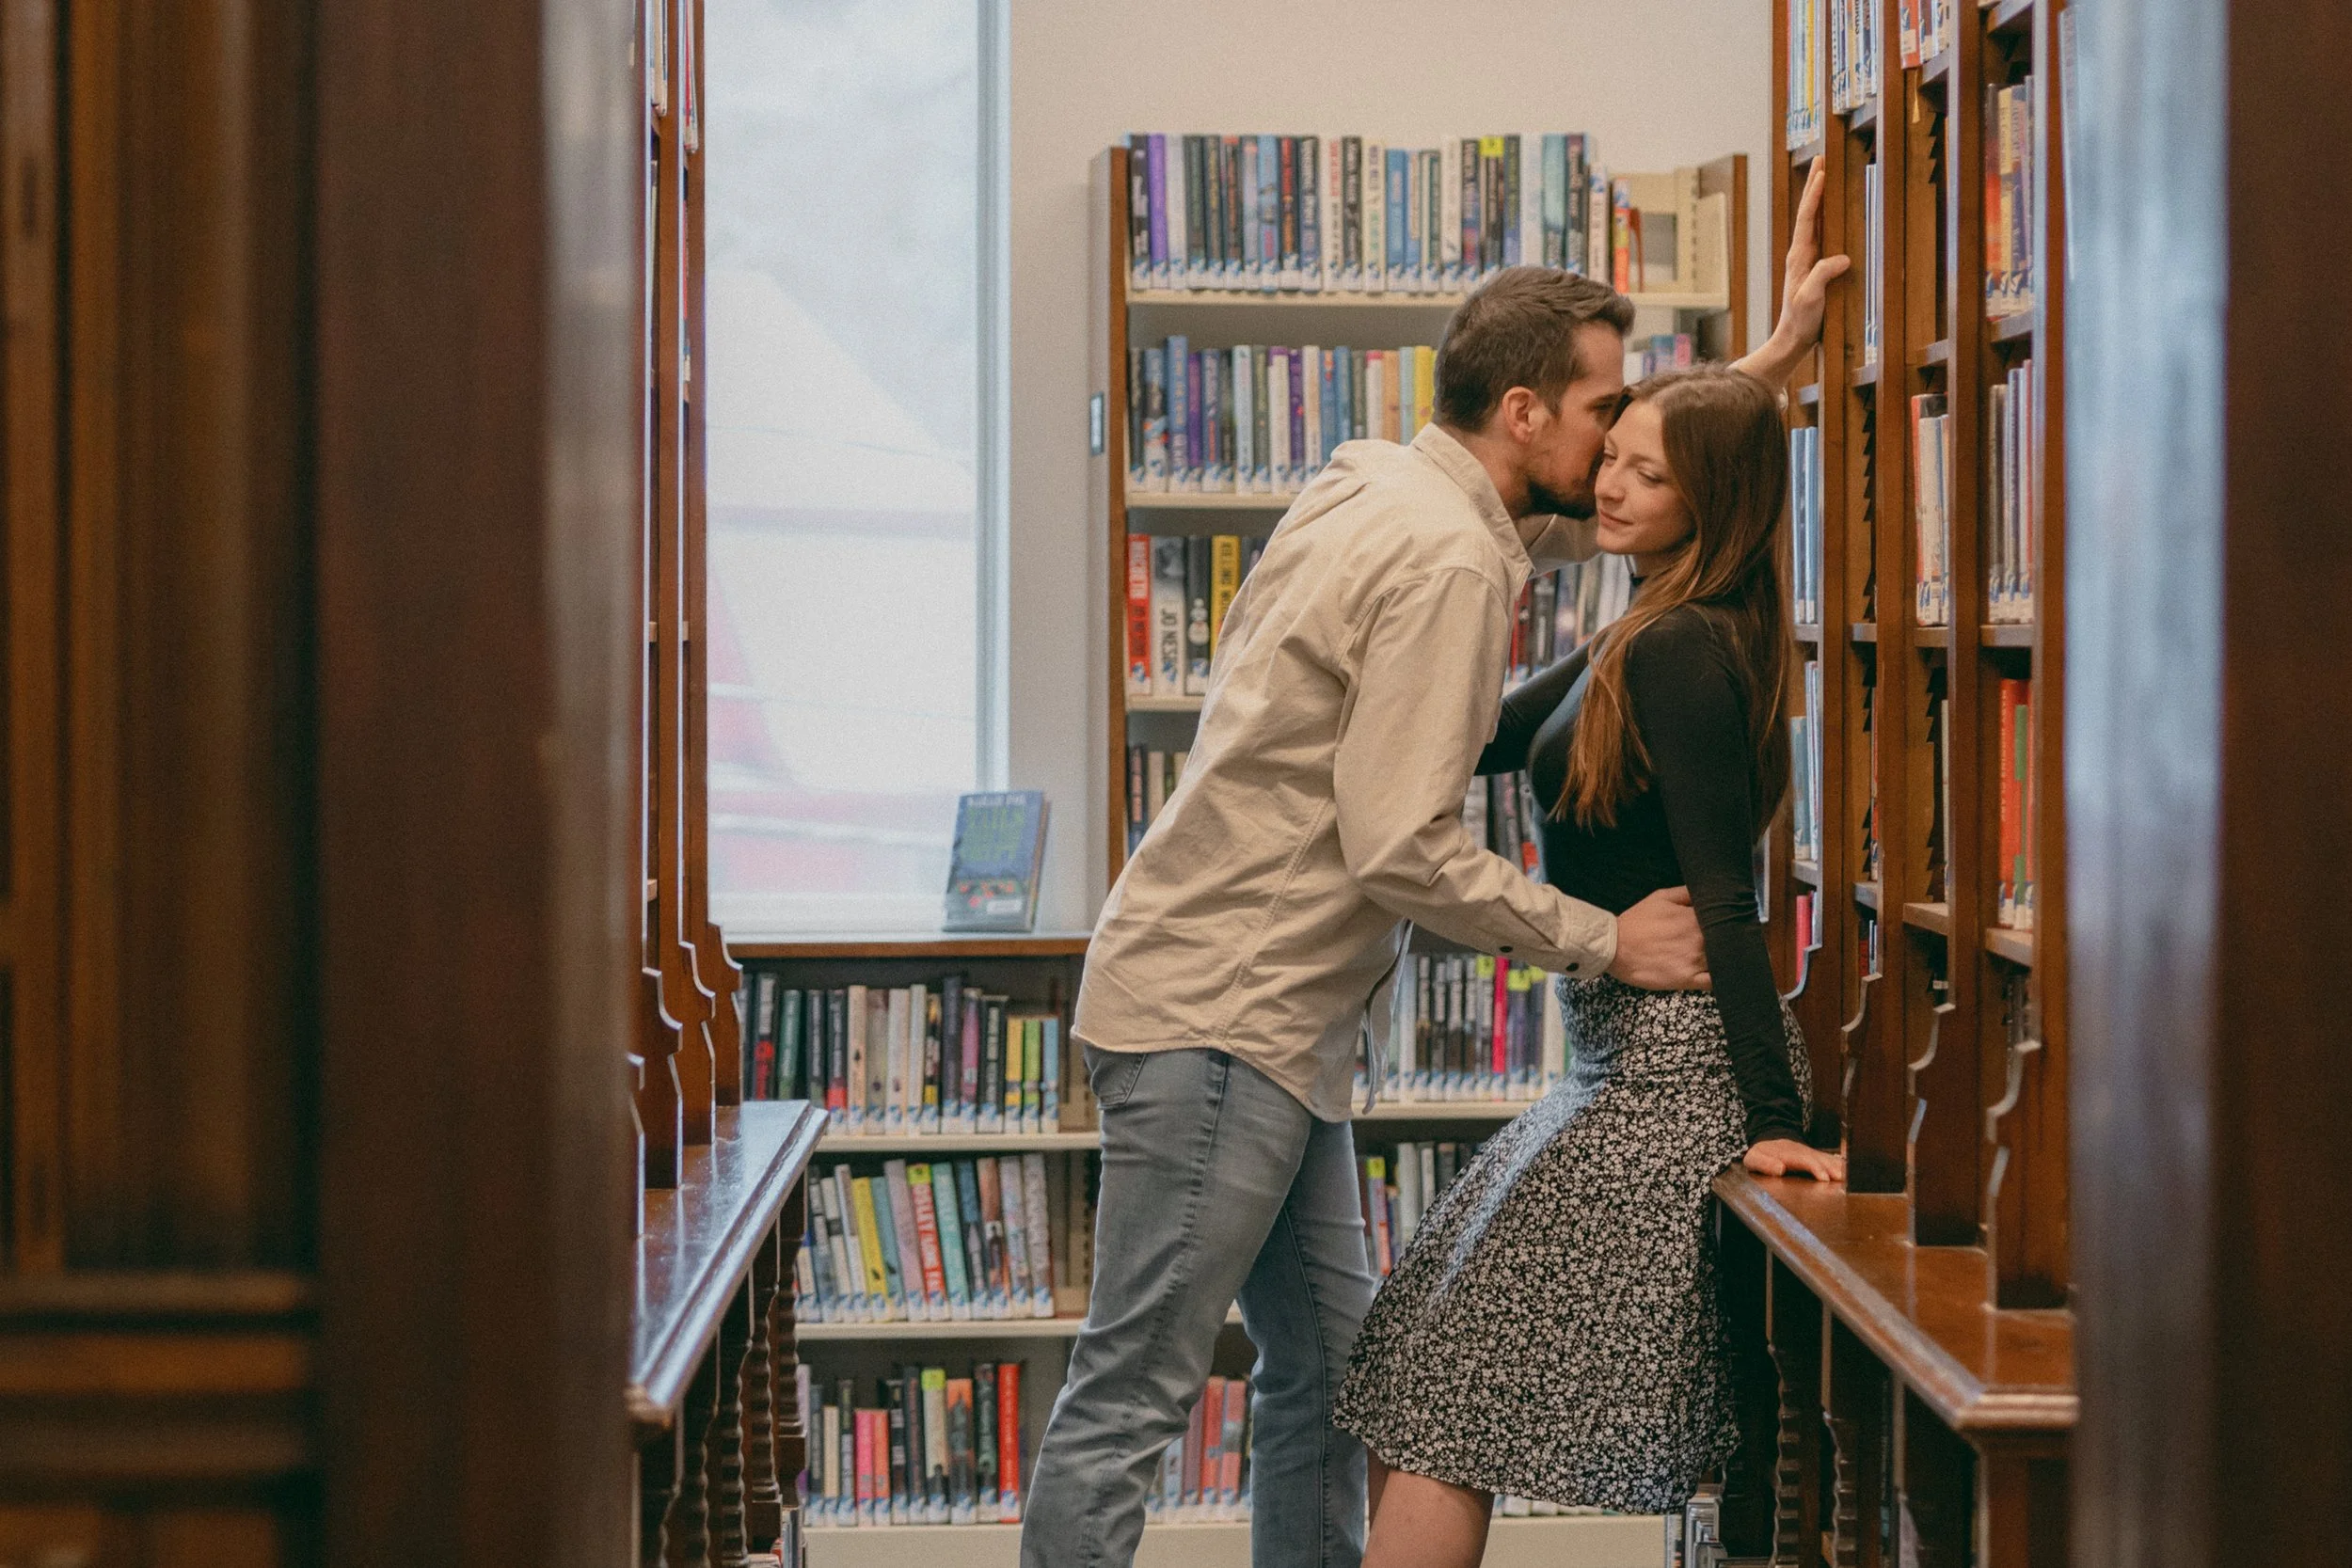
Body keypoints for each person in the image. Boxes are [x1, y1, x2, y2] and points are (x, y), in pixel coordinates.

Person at [1021, 169, 1847, 1568]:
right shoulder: (1451, 560)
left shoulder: (1381, 479)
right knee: (1134, 1395)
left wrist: (1755, 376)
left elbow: (1621, 505)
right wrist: (1600, 938)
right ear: (1527, 414)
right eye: (1603, 412)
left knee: (1340, 1375)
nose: (1612, 453)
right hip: (1227, 1014)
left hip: (1269, 1024)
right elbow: (1401, 846)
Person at [1331, 363, 1846, 1568]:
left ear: (1711, 503)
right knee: (1416, 1363)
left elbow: (1726, 895)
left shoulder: (1677, 648)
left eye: (1648, 473)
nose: (1607, 483)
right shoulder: (1642, 629)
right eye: (1612, 451)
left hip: (1676, 1076)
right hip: (1609, 1057)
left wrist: (1774, 1115)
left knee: (1435, 1389)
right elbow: (1493, 732)